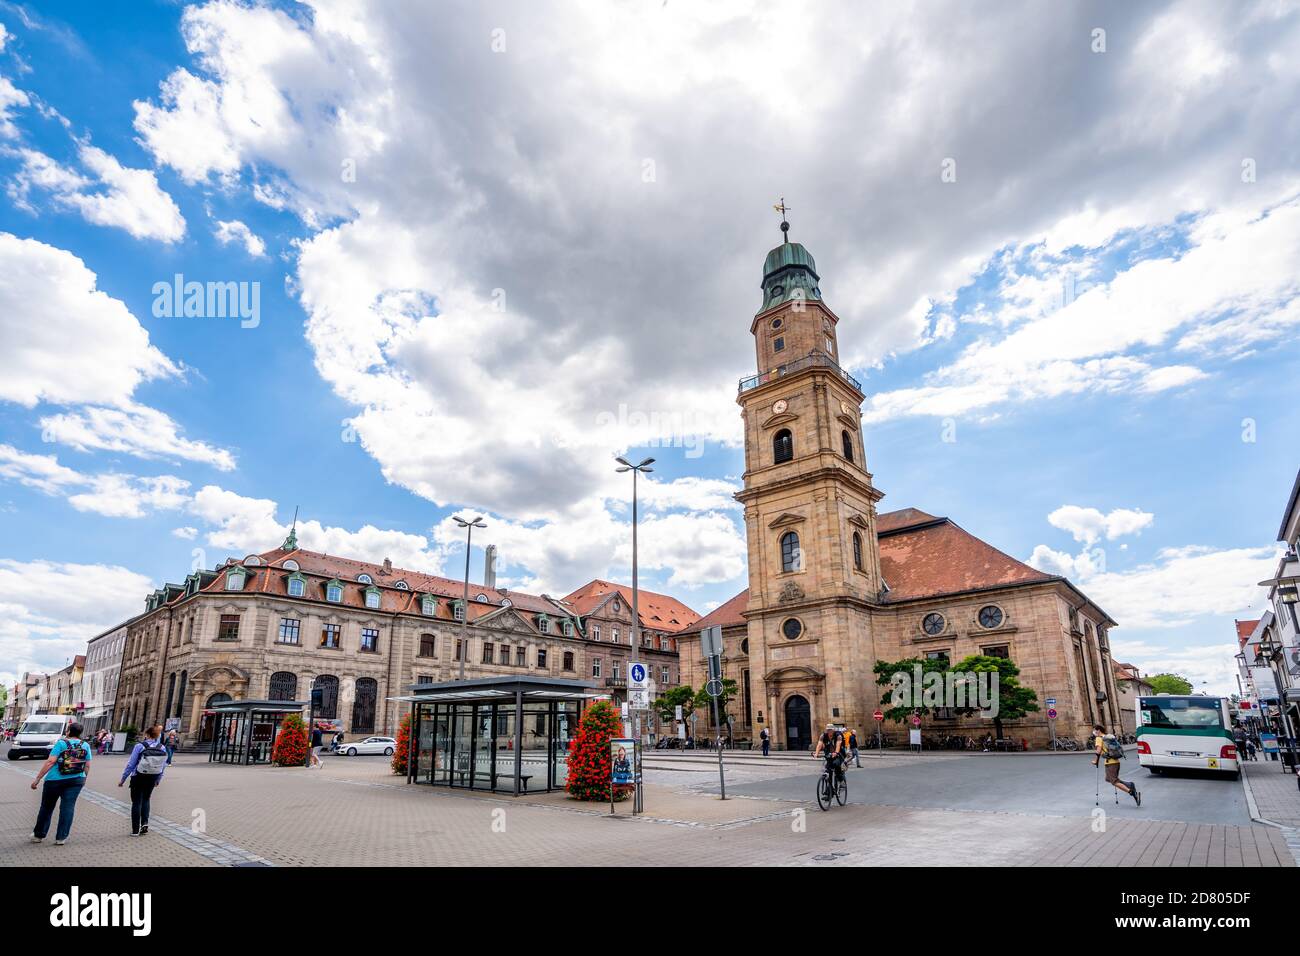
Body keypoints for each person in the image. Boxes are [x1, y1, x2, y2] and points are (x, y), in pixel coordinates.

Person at [30, 721, 92, 846]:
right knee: (67, 808)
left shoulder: (61, 743)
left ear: (68, 731)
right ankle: (61, 837)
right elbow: (87, 765)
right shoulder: (85, 745)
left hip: (55, 780)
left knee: (47, 807)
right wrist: (84, 779)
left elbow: (50, 762)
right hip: (76, 780)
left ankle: (39, 835)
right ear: (80, 733)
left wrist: (38, 778)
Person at [119, 723, 168, 835]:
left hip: (138, 776)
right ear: (156, 736)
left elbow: (131, 764)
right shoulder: (162, 747)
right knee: (146, 799)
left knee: (136, 802)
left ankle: (135, 830)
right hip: (152, 776)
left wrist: (123, 779)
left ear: (146, 734)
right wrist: (158, 779)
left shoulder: (139, 746)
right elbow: (163, 766)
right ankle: (144, 823)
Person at [1092, 723, 1140, 806]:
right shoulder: (1107, 737)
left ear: (1098, 730)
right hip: (1115, 762)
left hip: (1111, 763)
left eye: (1095, 730)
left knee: (1114, 781)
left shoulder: (1099, 738)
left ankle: (1131, 792)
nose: (1094, 732)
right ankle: (1130, 785)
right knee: (1108, 779)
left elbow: (1098, 751)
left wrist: (1095, 761)